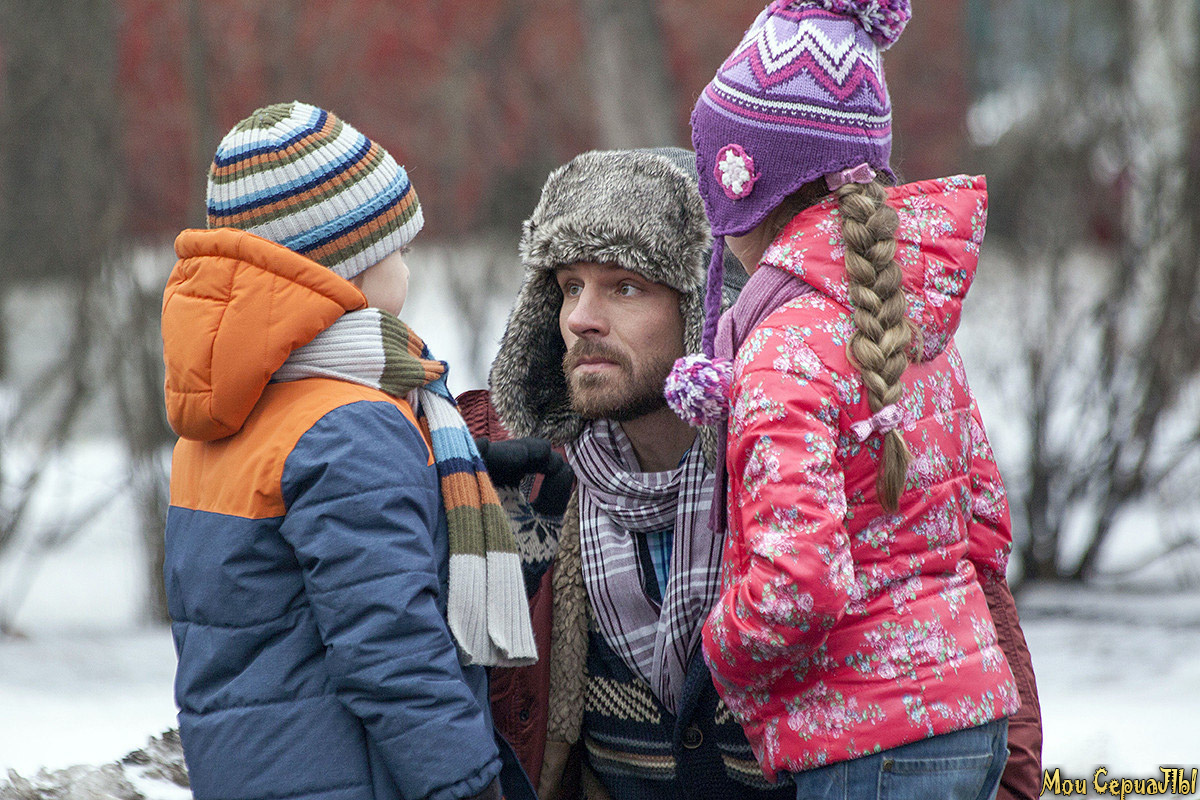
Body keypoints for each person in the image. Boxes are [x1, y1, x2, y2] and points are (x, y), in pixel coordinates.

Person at [666, 1, 1042, 798]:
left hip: (869, 743)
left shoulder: (783, 353)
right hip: (970, 719)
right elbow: (981, 523)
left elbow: (798, 578)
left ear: (742, 180)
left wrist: (720, 650)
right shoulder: (909, 321)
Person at [160, 101, 537, 800]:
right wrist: (465, 782)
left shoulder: (224, 417)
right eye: (399, 249)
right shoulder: (350, 424)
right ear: (346, 268)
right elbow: (391, 645)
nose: (409, 266)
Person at [486, 147, 792, 800]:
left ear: (707, 311)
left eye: (625, 286)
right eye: (570, 286)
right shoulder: (528, 494)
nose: (580, 318)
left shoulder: (804, 479)